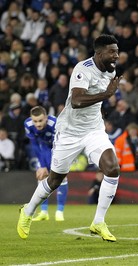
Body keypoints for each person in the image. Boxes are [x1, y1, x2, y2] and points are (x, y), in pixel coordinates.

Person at [17, 34, 123, 242]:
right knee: (55, 180)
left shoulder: (111, 71)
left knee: (112, 169)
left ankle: (98, 222)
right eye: (112, 52)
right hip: (69, 132)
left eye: (117, 51)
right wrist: (106, 95)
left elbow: (95, 104)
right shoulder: (83, 69)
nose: (116, 56)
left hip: (93, 131)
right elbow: (76, 100)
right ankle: (28, 211)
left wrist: (102, 108)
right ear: (99, 52)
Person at [24, 106, 68, 222]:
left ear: (46, 118)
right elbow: (35, 145)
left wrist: (50, 165)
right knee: (41, 176)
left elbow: (57, 146)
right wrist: (43, 166)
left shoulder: (55, 123)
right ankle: (44, 212)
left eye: (40, 120)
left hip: (60, 148)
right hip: (43, 149)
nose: (37, 124)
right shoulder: (28, 124)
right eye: (35, 121)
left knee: (61, 178)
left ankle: (59, 211)